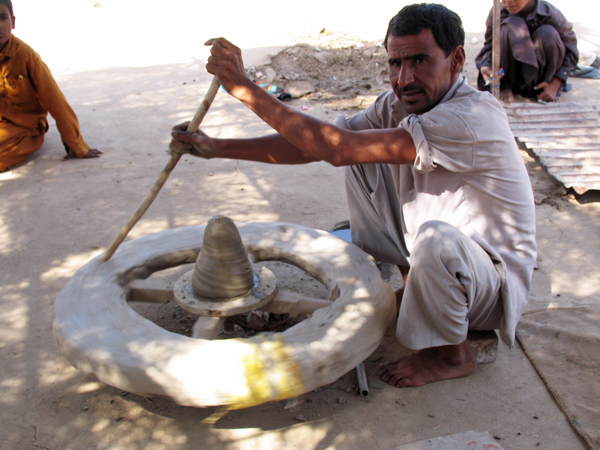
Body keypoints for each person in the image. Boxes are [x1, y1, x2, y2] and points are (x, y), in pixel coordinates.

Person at [170, 3, 537, 388]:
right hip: (450, 264)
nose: (404, 77)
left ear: (456, 59)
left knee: (433, 236)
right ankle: (416, 287)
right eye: (395, 63)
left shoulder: (470, 117)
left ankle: (453, 353)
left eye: (419, 60)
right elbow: (315, 146)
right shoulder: (397, 105)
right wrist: (216, 146)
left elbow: (336, 148)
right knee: (362, 159)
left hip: (488, 287)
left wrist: (246, 89)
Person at [0, 0, 102, 172]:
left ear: (13, 22)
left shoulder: (26, 56)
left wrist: (75, 143)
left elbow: (54, 99)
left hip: (25, 129)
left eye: (2, 18)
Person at [475, 0, 578, 103]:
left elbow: (572, 51)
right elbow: (489, 46)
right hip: (512, 77)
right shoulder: (498, 13)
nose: (508, 2)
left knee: (548, 33)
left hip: (540, 80)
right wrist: (486, 67)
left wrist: (555, 84)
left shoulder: (551, 14)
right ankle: (505, 86)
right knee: (512, 23)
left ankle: (546, 89)